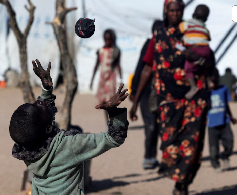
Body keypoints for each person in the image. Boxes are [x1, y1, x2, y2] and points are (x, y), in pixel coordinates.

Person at [129, 0, 215, 194]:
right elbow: (148, 67)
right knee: (169, 142)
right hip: (167, 99)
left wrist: (200, 60)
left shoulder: (192, 32)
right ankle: (178, 179)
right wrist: (135, 102)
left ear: (183, 12)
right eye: (171, 10)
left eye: (178, 10)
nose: (175, 14)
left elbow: (209, 58)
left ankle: (181, 185)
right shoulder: (158, 36)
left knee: (191, 143)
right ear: (165, 11)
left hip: (194, 97)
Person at [9, 59, 129, 195]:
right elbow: (113, 139)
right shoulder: (68, 145)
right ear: (48, 128)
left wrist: (46, 89)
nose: (39, 102)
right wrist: (113, 113)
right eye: (38, 107)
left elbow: (43, 122)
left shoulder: (27, 148)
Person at [130, 20, 163, 169]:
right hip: (146, 92)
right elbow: (142, 68)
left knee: (160, 126)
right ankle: (149, 157)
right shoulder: (150, 45)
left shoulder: (168, 46)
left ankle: (160, 157)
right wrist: (134, 91)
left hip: (162, 92)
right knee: (151, 126)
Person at [208, 68, 237, 173]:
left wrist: (231, 116)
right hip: (212, 124)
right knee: (213, 148)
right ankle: (216, 164)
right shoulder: (205, 92)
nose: (213, 82)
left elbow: (226, 104)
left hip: (225, 122)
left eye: (215, 80)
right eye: (211, 80)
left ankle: (225, 156)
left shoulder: (223, 89)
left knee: (230, 142)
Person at [178, 4, 211, 99]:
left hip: (194, 48)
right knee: (203, 66)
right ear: (206, 19)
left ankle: (193, 87)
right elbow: (208, 38)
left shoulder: (187, 24)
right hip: (206, 49)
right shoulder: (205, 28)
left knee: (188, 68)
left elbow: (180, 28)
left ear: (193, 14)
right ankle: (209, 80)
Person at [90, 29, 123, 123]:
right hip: (103, 79)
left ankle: (112, 120)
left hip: (111, 78)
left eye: (109, 39)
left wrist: (121, 78)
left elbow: (118, 65)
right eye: (106, 39)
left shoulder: (116, 51)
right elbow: (96, 65)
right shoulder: (100, 51)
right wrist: (92, 80)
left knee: (111, 102)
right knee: (104, 102)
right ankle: (108, 122)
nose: (107, 41)